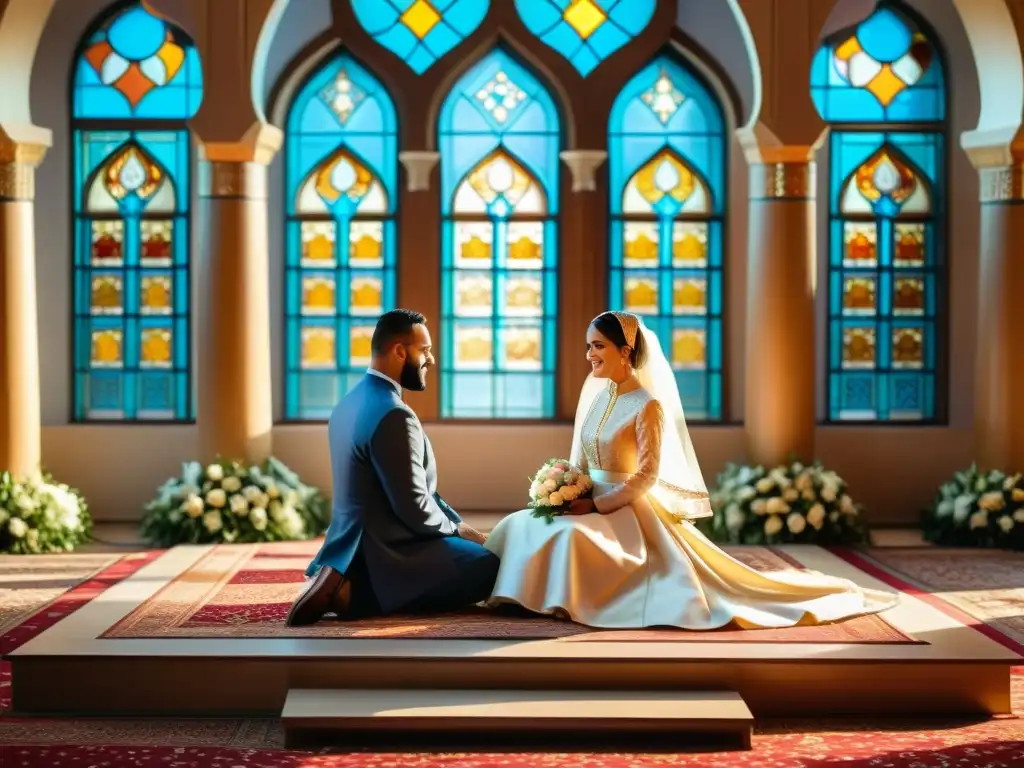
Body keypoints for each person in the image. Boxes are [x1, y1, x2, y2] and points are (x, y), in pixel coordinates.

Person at [483, 311, 899, 630]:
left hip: (625, 510)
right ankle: (512, 595)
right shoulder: (596, 397)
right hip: (588, 499)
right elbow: (581, 460)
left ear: (625, 351)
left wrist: (597, 506)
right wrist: (566, 491)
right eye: (588, 346)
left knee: (572, 540)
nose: (589, 354)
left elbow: (646, 475)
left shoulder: (648, 405)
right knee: (523, 524)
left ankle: (565, 601)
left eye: (598, 346)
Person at [286, 309, 497, 626]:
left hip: (351, 542)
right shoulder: (395, 414)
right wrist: (456, 529)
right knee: (490, 566)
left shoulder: (350, 401)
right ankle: (354, 593)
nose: (432, 360)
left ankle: (337, 572)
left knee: (471, 549)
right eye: (424, 350)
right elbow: (413, 506)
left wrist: (456, 522)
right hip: (387, 551)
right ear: (400, 351)